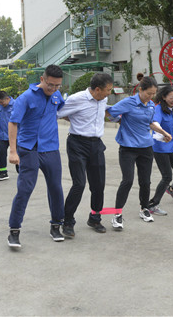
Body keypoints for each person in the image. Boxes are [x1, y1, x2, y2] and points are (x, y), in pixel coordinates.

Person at [7, 64, 66, 249]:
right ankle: (14, 230)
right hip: (28, 148)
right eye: (50, 85)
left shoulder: (57, 96)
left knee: (56, 187)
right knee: (25, 189)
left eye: (57, 86)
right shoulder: (25, 97)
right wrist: (13, 151)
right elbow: (13, 123)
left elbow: (62, 112)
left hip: (50, 148)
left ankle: (56, 225)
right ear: (42, 79)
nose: (53, 89)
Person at [105, 76, 172, 231]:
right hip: (128, 147)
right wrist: (119, 120)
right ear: (140, 90)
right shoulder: (128, 102)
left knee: (145, 181)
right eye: (148, 93)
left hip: (146, 147)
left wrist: (163, 132)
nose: (151, 97)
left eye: (153, 94)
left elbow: (150, 122)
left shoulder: (151, 105)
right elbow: (109, 112)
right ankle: (117, 214)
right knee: (127, 180)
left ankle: (144, 208)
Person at [58, 72, 114, 236]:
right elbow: (58, 113)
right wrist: (75, 119)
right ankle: (68, 221)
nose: (109, 93)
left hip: (96, 144)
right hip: (77, 144)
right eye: (108, 90)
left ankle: (95, 218)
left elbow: (105, 112)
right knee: (79, 184)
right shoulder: (76, 99)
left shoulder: (102, 99)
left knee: (98, 184)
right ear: (97, 89)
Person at [149, 84, 173, 213]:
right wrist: (163, 134)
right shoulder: (158, 109)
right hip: (160, 147)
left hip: (172, 146)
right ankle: (153, 205)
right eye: (171, 97)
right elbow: (155, 124)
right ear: (164, 97)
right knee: (167, 177)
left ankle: (172, 189)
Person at [0, 90, 18, 174]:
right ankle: (3, 172)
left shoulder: (16, 104)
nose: (1, 104)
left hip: (16, 135)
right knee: (1, 153)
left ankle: (20, 170)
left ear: (7, 98)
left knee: (18, 153)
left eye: (2, 102)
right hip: (3, 135)